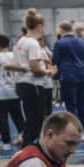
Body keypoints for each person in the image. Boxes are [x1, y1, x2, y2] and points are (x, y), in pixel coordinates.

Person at [14, 10, 53, 146]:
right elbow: (35, 68)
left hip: (22, 83)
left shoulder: (21, 41)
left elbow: (17, 64)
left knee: (32, 119)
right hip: (33, 84)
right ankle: (27, 148)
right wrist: (48, 72)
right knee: (36, 120)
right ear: (40, 26)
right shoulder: (33, 43)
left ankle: (27, 147)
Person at [52, 20, 84, 142]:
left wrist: (56, 77)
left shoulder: (59, 43)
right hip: (82, 76)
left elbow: (55, 61)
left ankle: (74, 132)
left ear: (61, 29)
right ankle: (83, 132)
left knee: (71, 106)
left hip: (67, 77)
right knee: (81, 105)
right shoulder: (83, 42)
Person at [0, 34, 26, 151]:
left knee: (2, 119)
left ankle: (6, 143)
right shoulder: (14, 56)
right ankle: (25, 139)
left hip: (1, 93)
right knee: (18, 117)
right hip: (14, 91)